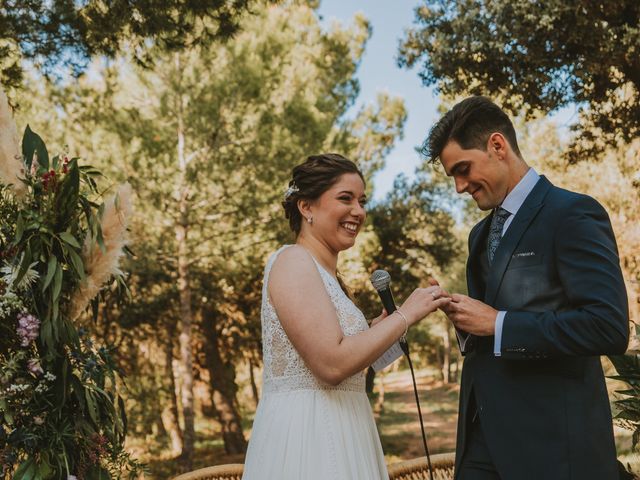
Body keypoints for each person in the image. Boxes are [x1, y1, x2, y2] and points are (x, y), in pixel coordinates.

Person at [424, 96, 629, 480]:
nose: (459, 187)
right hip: (481, 440)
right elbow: (490, 327)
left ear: (497, 146)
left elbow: (608, 326)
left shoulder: (573, 213)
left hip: (553, 448)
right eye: (452, 175)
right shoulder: (478, 234)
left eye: (463, 169)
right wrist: (465, 321)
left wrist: (499, 324)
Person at [242, 153, 451, 480]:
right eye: (345, 198)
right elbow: (331, 365)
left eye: (362, 201)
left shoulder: (331, 280)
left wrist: (378, 330)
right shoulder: (293, 261)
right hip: (308, 438)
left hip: (349, 427)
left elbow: (346, 356)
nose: (358, 211)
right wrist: (406, 315)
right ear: (306, 207)